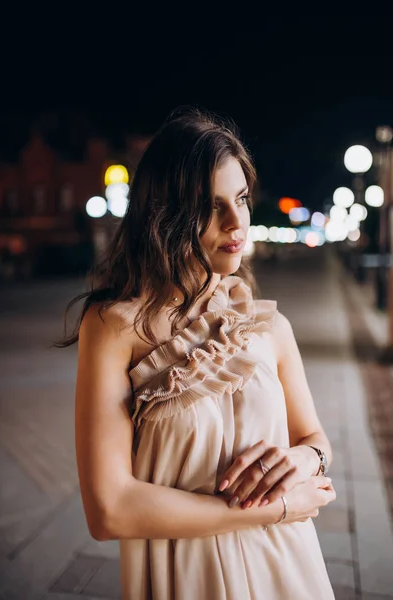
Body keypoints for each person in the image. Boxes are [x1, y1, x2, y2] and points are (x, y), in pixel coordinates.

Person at [57, 107, 336, 599]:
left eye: (242, 199)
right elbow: (109, 510)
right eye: (212, 206)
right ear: (165, 213)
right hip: (187, 576)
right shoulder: (113, 327)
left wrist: (304, 459)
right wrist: (278, 507)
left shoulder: (270, 326)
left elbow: (315, 441)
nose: (236, 222)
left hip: (290, 569)